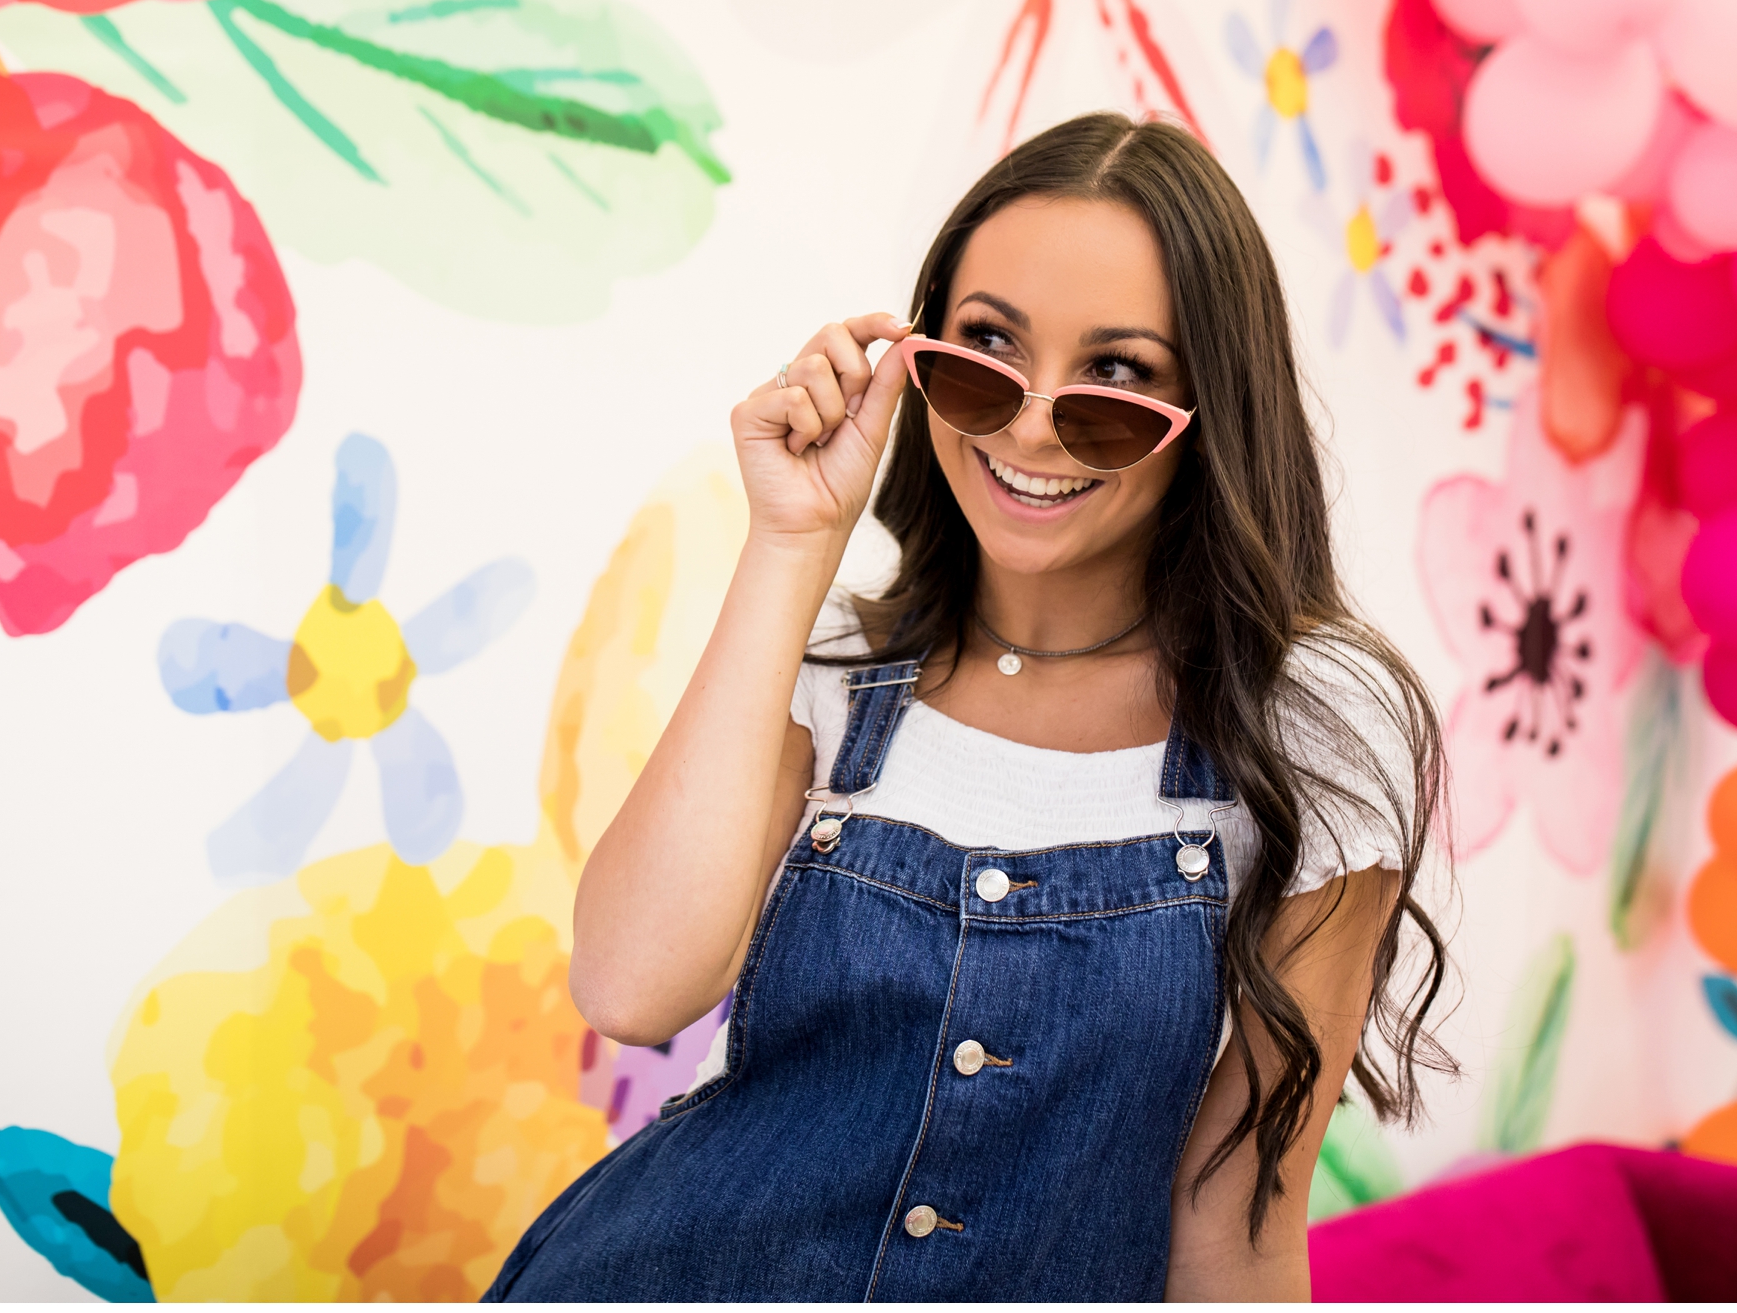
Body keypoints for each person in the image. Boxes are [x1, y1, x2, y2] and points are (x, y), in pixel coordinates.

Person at [486, 113, 1450, 1302]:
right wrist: (793, 541)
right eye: (985, 351)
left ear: (1212, 410)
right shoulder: (832, 661)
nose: (1033, 425)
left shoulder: (1314, 729)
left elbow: (1240, 1217)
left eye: (1118, 378)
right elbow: (631, 988)